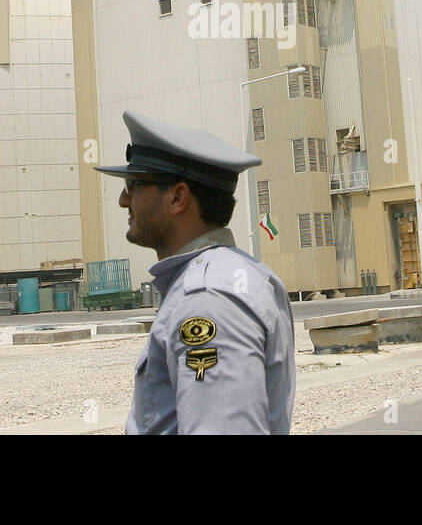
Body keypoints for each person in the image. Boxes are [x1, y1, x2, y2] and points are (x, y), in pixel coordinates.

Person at [95, 110, 295, 434]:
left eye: (134, 185)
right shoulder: (228, 277)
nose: (123, 200)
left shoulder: (209, 299)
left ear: (177, 198)